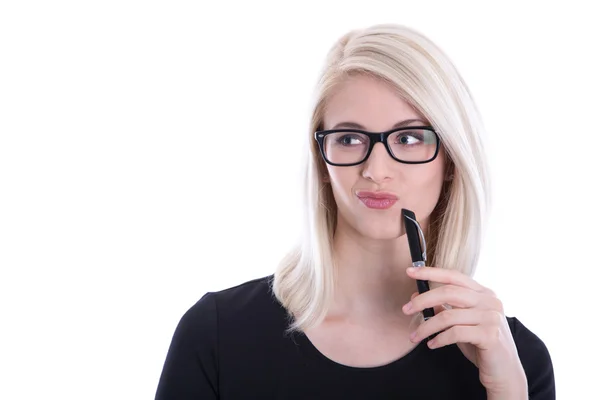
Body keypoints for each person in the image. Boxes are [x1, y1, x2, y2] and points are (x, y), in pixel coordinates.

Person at [154, 23, 555, 399]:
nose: (376, 171)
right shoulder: (218, 335)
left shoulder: (509, 358)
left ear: (450, 161)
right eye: (348, 138)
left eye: (409, 137)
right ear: (321, 161)